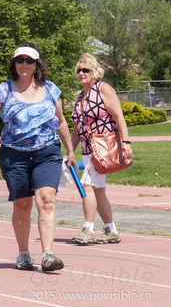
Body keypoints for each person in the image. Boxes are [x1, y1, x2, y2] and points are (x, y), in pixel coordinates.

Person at [0, 43, 75, 272]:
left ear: (36, 65)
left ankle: (48, 254)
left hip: (47, 152)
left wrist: (70, 151)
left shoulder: (51, 89)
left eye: (29, 60)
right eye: (20, 59)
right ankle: (23, 253)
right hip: (14, 154)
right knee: (22, 205)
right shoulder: (3, 91)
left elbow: (60, 122)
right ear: (13, 64)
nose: (24, 64)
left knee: (47, 199)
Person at [70, 53, 132, 245]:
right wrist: (70, 152)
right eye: (79, 70)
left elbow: (118, 116)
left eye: (85, 70)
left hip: (104, 146)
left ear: (95, 72)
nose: (81, 73)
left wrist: (126, 142)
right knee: (98, 190)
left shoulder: (103, 89)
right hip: (89, 150)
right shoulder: (80, 96)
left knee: (87, 186)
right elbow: (77, 128)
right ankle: (110, 229)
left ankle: (88, 229)